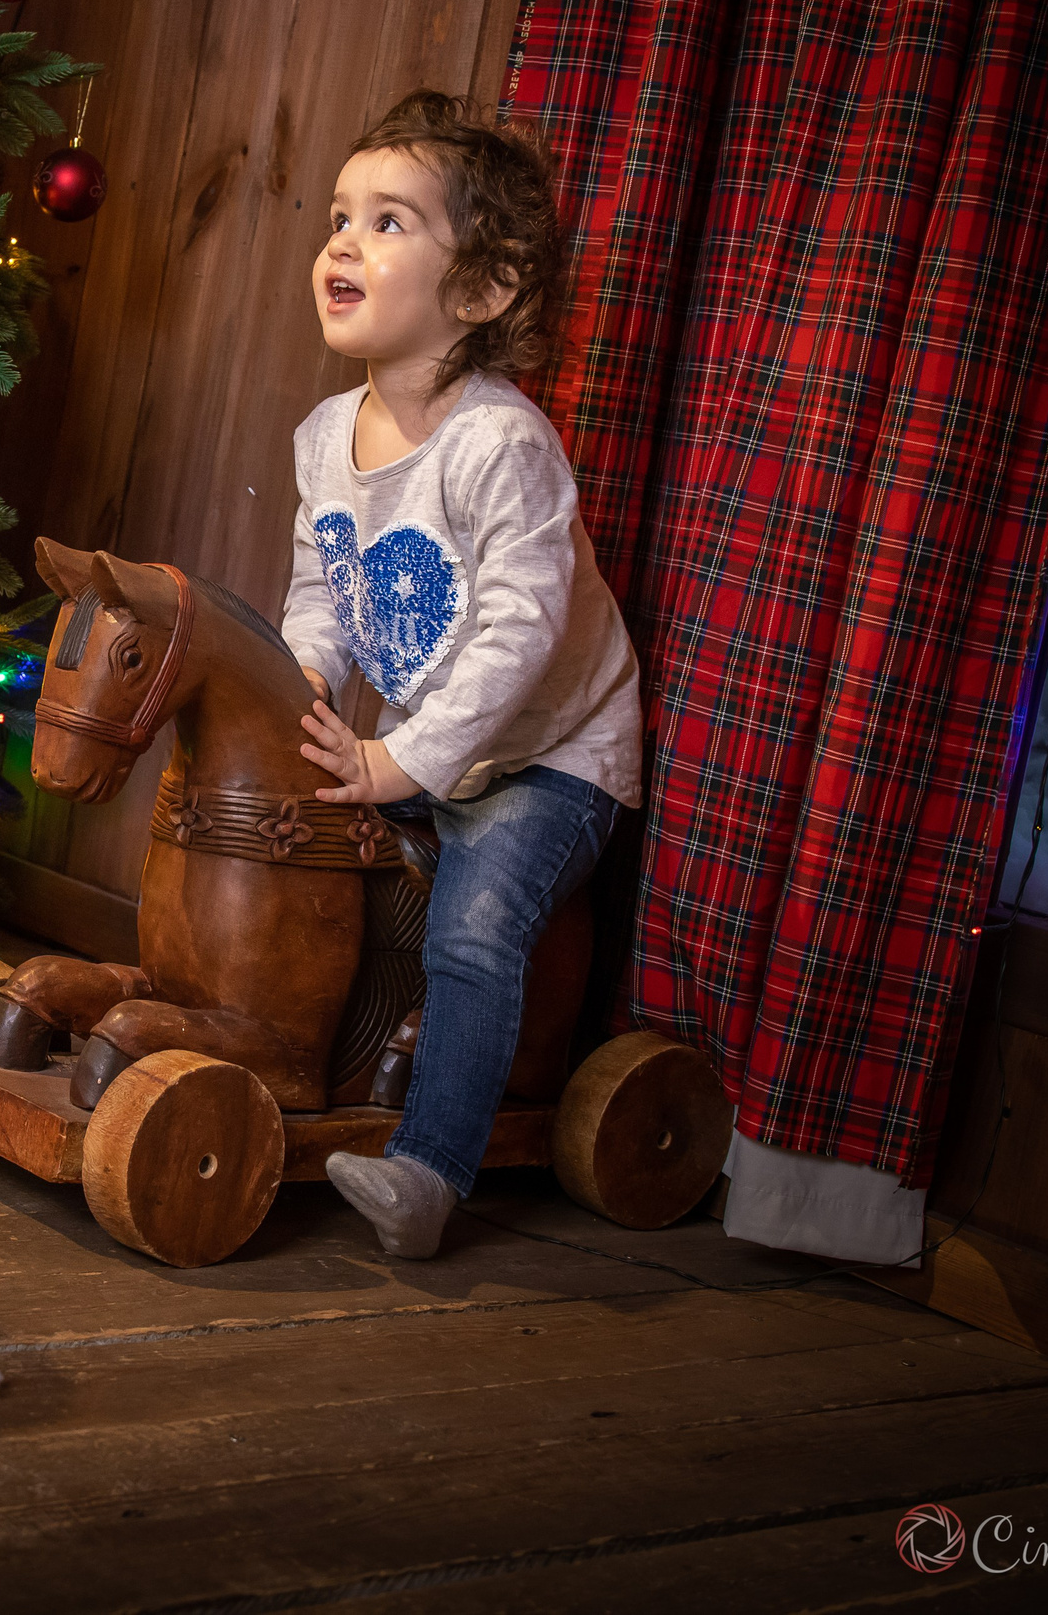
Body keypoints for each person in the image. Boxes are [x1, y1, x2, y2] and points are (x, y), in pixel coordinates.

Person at [284, 91, 643, 1260]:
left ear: (480, 294)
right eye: (341, 215)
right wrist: (294, 680)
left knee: (472, 929)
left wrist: (401, 760)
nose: (342, 239)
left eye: (389, 223)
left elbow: (517, 635)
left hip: (549, 755)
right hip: (426, 739)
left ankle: (429, 1174)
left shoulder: (501, 444)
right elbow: (321, 592)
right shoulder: (322, 435)